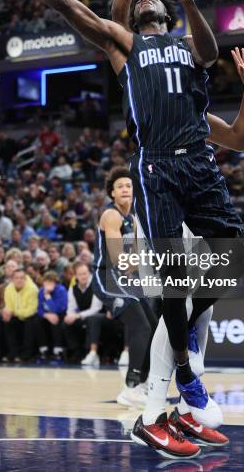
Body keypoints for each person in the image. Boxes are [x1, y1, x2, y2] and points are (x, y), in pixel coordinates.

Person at [0, 0, 240, 455]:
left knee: (232, 258)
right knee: (174, 279)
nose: (147, 1)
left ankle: (179, 361)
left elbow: (211, 51)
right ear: (133, 17)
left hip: (199, 164)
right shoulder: (124, 48)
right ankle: (180, 381)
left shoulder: (184, 40)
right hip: (156, 170)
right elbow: (65, 4)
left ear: (168, 14)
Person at [109, 0, 244, 456]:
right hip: (163, 204)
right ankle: (154, 410)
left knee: (198, 319)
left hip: (198, 206)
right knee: (176, 313)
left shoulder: (194, 108)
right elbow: (115, 17)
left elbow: (238, 139)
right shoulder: (141, 66)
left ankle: (183, 407)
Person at [92, 166, 157, 408]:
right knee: (140, 325)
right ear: (112, 194)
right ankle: (130, 386)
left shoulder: (135, 219)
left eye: (128, 186)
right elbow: (119, 258)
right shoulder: (111, 216)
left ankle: (142, 383)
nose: (125, 189)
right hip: (107, 278)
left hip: (125, 280)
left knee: (154, 327)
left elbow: (138, 260)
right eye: (120, 186)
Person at [63, 261, 104, 365]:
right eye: (81, 274)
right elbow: (71, 307)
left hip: (97, 316)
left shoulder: (96, 286)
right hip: (81, 316)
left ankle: (90, 352)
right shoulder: (73, 289)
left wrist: (77, 315)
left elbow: (96, 308)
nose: (84, 276)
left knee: (91, 320)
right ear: (76, 276)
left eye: (85, 273)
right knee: (66, 323)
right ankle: (76, 350)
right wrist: (69, 316)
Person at [2, 267, 38, 362]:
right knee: (7, 320)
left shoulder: (32, 289)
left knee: (30, 322)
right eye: (17, 278)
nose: (19, 280)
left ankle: (26, 355)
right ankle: (13, 353)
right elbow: (8, 306)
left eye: (22, 278)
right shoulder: (8, 289)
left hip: (29, 316)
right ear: (12, 279)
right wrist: (7, 312)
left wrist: (14, 312)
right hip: (16, 315)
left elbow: (31, 310)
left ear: (25, 279)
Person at [36, 270, 67, 362]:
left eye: (51, 282)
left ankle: (58, 350)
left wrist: (48, 296)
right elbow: (39, 309)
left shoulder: (61, 290)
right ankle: (43, 349)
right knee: (37, 320)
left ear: (55, 282)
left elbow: (58, 309)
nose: (48, 284)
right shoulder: (41, 291)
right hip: (47, 315)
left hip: (60, 314)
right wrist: (46, 315)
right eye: (46, 282)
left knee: (56, 319)